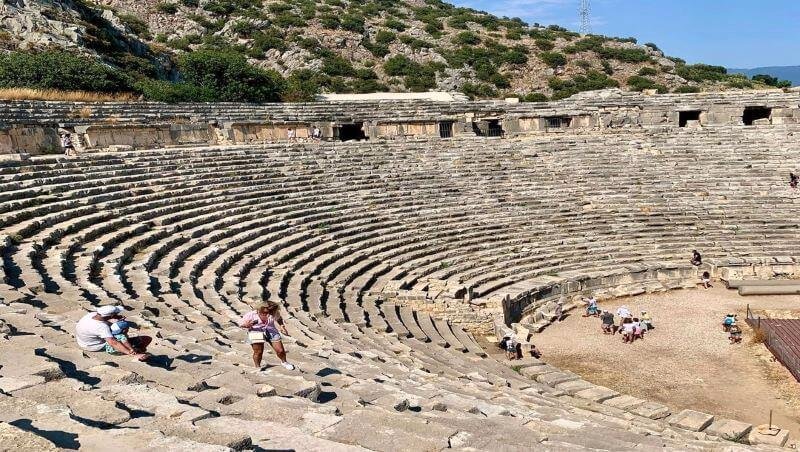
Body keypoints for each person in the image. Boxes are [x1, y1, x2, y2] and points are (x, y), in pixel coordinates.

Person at [75, 305, 150, 361]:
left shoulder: (91, 315)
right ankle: (134, 353)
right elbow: (113, 342)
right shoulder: (101, 327)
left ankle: (135, 349)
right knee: (144, 339)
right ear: (111, 315)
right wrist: (131, 353)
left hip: (83, 341)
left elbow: (105, 320)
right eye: (115, 313)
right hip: (93, 346)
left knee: (117, 329)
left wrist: (115, 317)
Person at [239, 301, 295, 371]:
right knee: (258, 352)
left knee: (280, 350)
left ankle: (284, 362)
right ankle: (257, 367)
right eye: (265, 312)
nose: (268, 314)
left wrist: (282, 326)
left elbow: (279, 318)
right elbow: (241, 324)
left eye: (270, 312)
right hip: (256, 331)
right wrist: (247, 325)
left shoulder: (274, 312)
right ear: (261, 308)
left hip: (270, 330)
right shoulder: (251, 314)